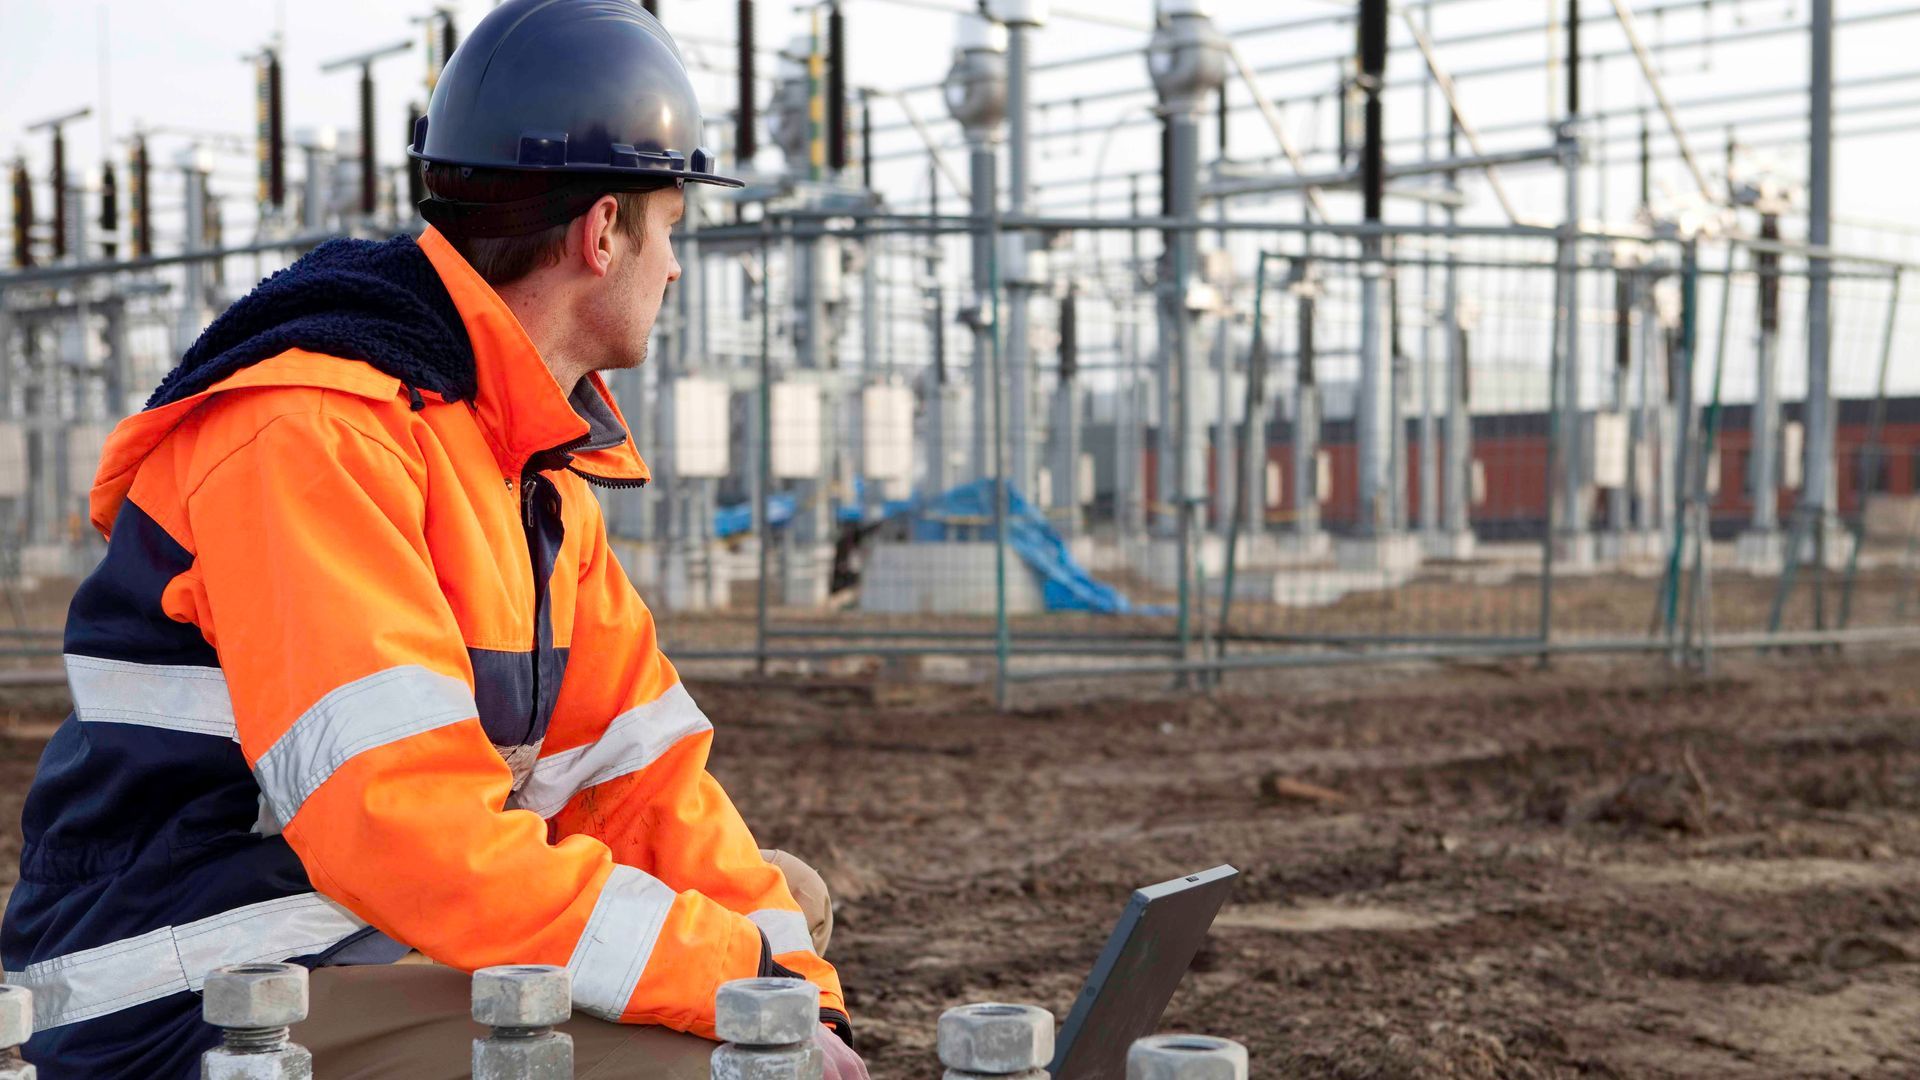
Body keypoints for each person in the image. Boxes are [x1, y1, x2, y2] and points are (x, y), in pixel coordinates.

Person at [1, 2, 866, 1076]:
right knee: (723, 1063)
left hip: (356, 938)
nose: (677, 269)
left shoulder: (526, 464)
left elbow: (641, 789)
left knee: (783, 911)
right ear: (604, 232)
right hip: (200, 994)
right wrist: (740, 1010)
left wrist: (798, 997)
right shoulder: (312, 433)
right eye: (674, 229)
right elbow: (404, 828)